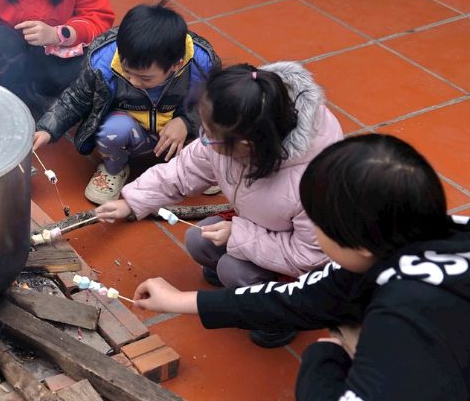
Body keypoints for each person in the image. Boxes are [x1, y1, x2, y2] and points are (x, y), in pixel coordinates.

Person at [133, 134, 470, 401]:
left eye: (317, 224)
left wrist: (326, 359)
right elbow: (292, 298)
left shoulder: (399, 327)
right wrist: (176, 301)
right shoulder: (416, 234)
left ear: (359, 244)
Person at [96, 62, 343, 348]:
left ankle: (278, 319)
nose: (203, 139)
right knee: (198, 241)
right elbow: (182, 172)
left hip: (302, 258)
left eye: (211, 136)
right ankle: (236, 275)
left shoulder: (312, 182)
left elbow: (310, 256)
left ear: (248, 146)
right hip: (255, 222)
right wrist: (133, 202)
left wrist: (236, 236)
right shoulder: (231, 128)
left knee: (233, 269)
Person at [33, 1, 218, 204]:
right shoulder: (103, 62)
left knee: (214, 124)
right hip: (133, 131)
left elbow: (217, 101)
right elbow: (77, 96)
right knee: (113, 129)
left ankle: (198, 165)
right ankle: (114, 167)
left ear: (176, 65)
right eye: (127, 72)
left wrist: (186, 122)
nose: (133, 81)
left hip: (181, 134)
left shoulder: (201, 62)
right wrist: (47, 129)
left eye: (145, 78)